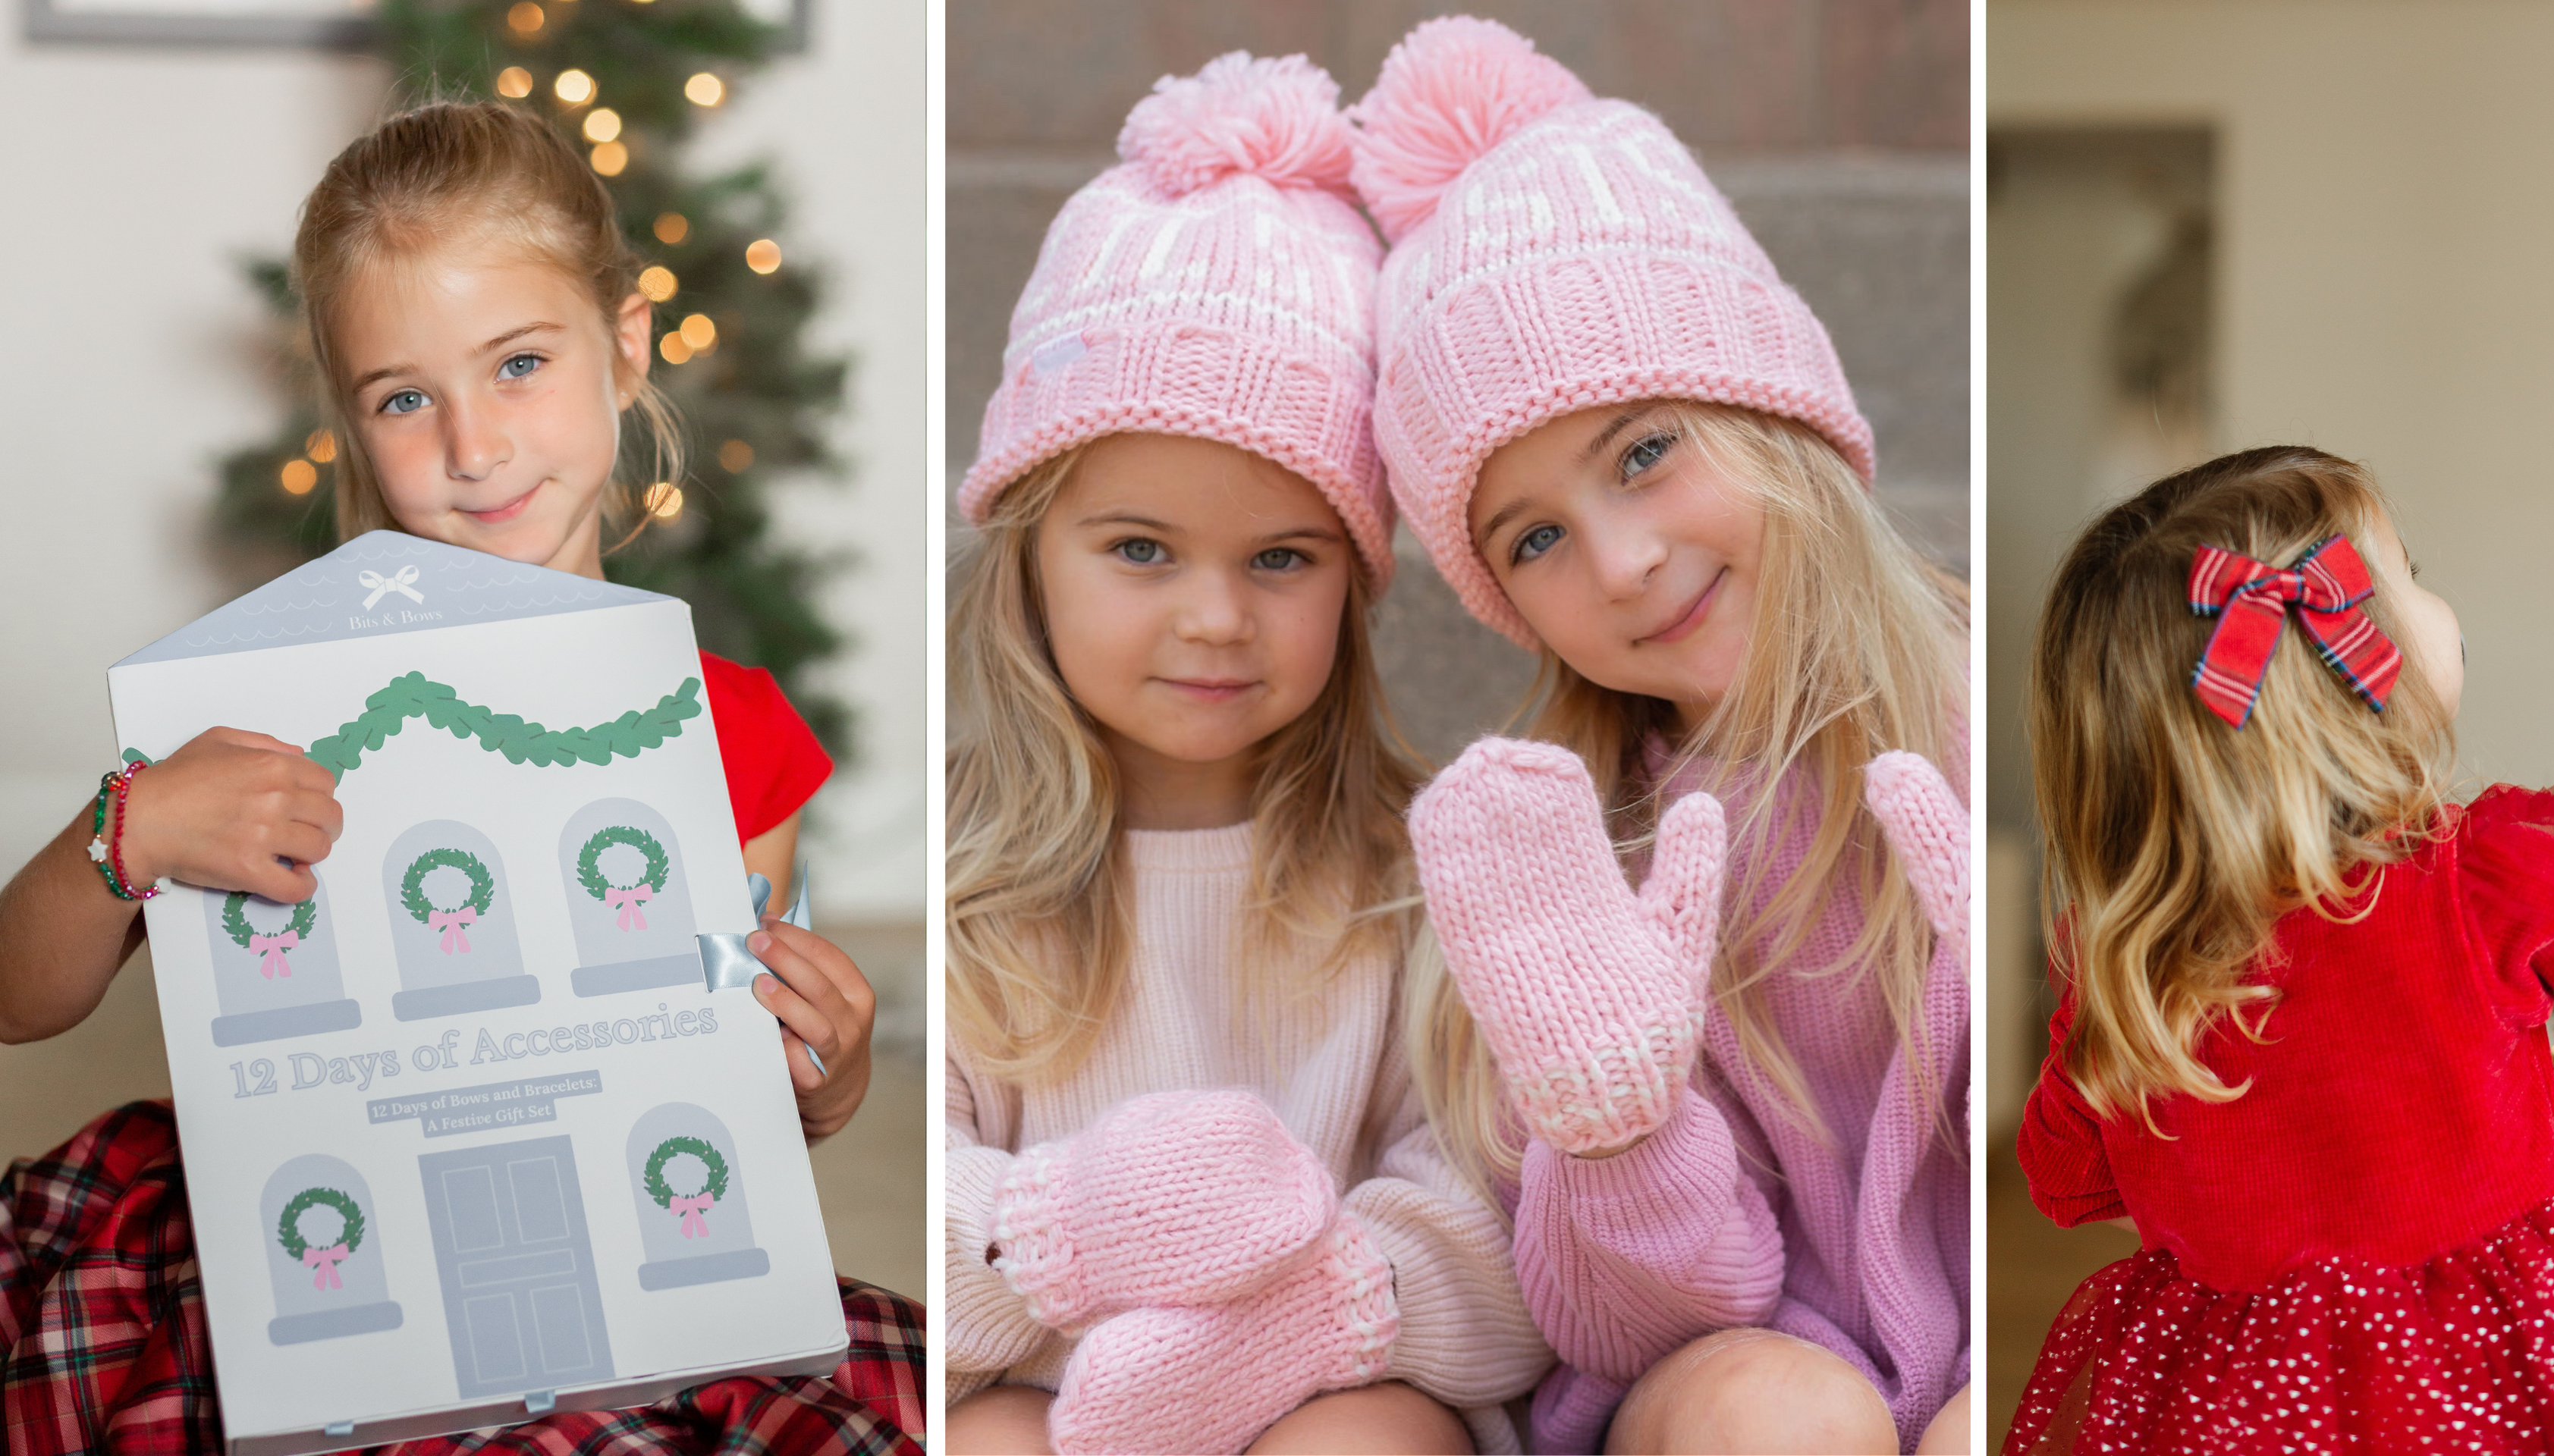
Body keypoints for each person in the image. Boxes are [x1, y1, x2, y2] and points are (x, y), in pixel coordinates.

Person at [0, 101, 918, 1454]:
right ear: (353, 420)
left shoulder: (729, 730)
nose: (474, 447)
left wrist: (822, 1085)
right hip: (293, 1264)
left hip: (613, 1292)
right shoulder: (259, 708)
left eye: (522, 363)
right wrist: (125, 831)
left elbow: (718, 1088)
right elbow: (22, 998)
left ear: (624, 347)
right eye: (406, 397)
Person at [1351, 17, 1975, 1453]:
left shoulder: (1983, 720)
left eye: (1645, 452)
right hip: (1735, 1355)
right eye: (1537, 539)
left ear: (1776, 413)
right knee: (1777, 1410)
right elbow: (1637, 1327)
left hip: (1989, 1307)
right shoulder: (1572, 854)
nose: (1624, 560)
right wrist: (1616, 1125)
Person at [941, 52, 1549, 1456]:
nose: (1216, 618)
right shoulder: (974, 887)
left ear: (1356, 577)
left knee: (1370, 1442)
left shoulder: (1415, 873)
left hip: (1328, 1385)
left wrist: (1300, 1319)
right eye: (1141, 549)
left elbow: (1493, 1237)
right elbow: (931, 1215)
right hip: (1055, 1397)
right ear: (1029, 554)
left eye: (1282, 556)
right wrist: (1072, 1231)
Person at [2008, 446, 2554, 1452]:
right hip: (2505, 1373)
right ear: (2355, 675)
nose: (2437, 600)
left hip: (2239, 1409)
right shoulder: (2480, 883)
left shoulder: (2125, 965)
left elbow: (2072, 1182)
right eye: (2414, 572)